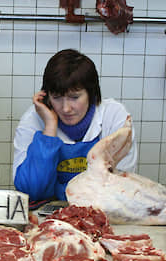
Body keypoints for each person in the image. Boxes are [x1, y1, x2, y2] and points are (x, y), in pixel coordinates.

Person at [13, 49, 137, 202]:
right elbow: (30, 191)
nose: (65, 108)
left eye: (74, 97)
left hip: (101, 214)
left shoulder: (114, 115)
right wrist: (50, 127)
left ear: (91, 94)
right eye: (56, 97)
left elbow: (120, 187)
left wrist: (57, 189)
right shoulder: (34, 118)